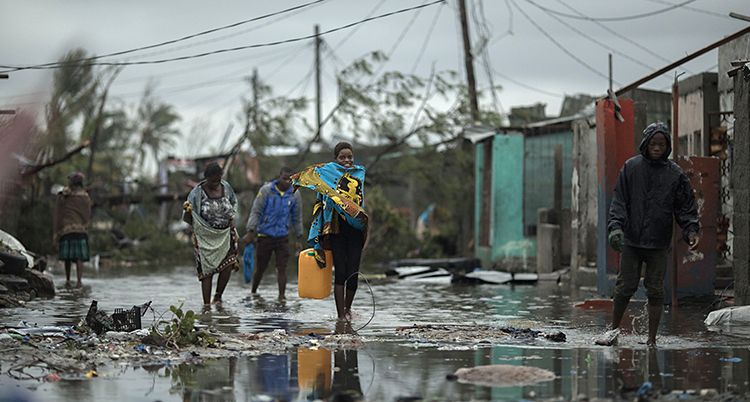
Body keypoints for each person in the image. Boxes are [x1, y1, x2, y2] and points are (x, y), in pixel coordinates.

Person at [603, 121, 700, 347]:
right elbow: (619, 202)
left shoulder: (675, 174)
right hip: (631, 241)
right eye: (653, 144)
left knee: (656, 290)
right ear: (645, 144)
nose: (656, 148)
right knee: (625, 287)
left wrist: (691, 231)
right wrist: (616, 228)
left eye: (661, 144)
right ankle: (612, 332)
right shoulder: (631, 168)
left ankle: (652, 339)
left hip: (658, 242)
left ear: (667, 146)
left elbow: (685, 207)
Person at [291, 142, 368, 321]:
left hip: (355, 229)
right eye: (342, 157)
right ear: (335, 159)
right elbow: (313, 177)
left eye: (350, 157)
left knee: (354, 274)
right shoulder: (327, 175)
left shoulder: (359, 173)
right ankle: (341, 317)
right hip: (335, 230)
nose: (347, 160)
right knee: (341, 272)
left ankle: (348, 310)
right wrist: (296, 179)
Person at [183, 162, 239, 306]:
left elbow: (233, 203)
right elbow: (188, 216)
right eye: (213, 181)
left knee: (228, 267)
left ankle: (218, 297)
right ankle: (206, 306)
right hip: (204, 237)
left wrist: (232, 218)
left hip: (224, 235)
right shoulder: (197, 193)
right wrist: (189, 212)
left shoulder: (226, 188)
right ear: (206, 178)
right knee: (207, 273)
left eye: (218, 180)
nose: (216, 184)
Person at [244, 167, 303, 299]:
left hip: (282, 236)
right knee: (261, 267)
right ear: (279, 176)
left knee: (282, 267)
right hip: (265, 236)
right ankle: (253, 292)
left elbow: (296, 218)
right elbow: (256, 211)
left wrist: (298, 239)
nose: (287, 181)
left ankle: (282, 297)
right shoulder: (266, 191)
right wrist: (250, 231)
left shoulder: (294, 194)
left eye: (291, 179)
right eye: (285, 178)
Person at [53, 172, 91, 286]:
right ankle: (79, 281)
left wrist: (56, 234)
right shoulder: (85, 196)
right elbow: (87, 214)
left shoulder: (64, 195)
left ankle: (68, 280)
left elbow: (58, 214)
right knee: (79, 257)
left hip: (66, 230)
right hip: (81, 231)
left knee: (67, 258)